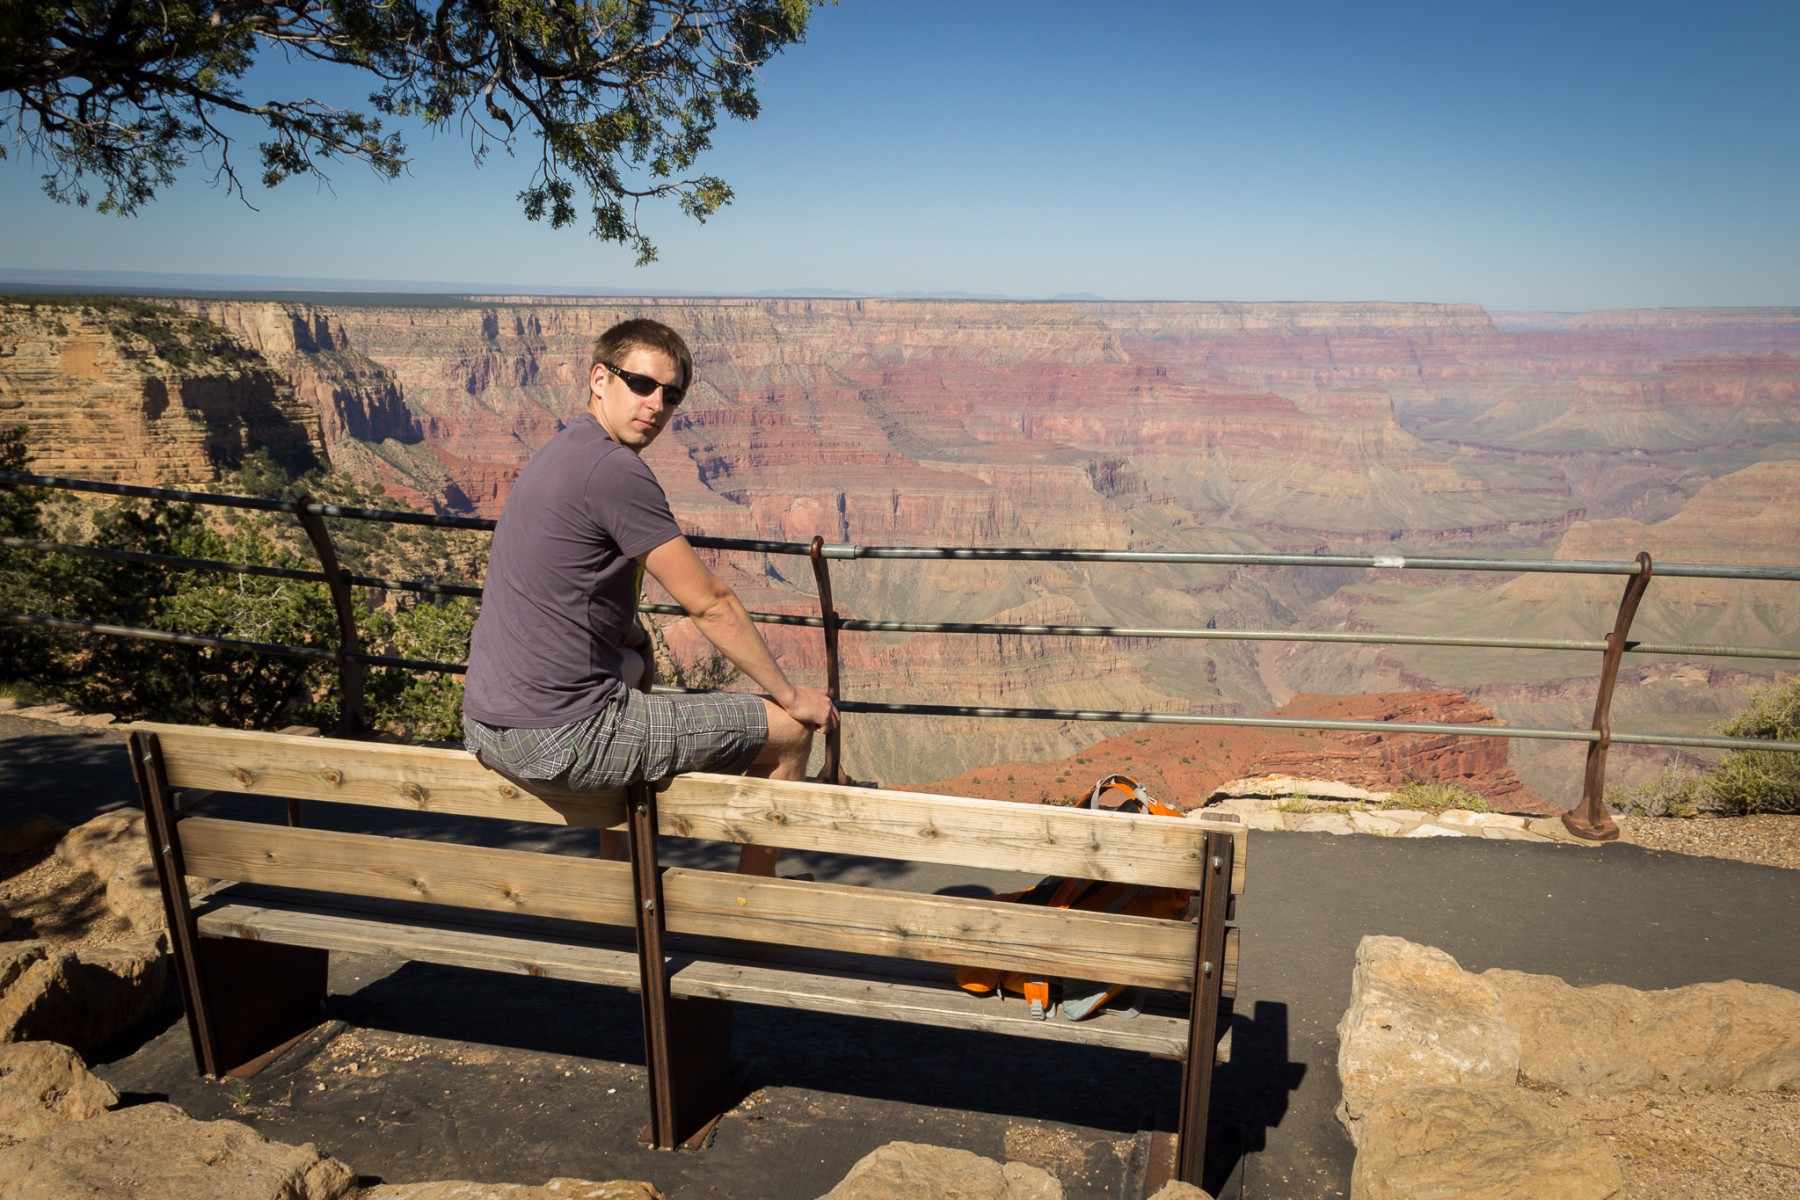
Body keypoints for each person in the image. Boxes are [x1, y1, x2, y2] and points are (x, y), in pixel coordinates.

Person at [462, 318, 837, 874]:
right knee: (789, 731)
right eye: (641, 384)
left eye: (672, 394)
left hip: (486, 723)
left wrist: (633, 640)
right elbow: (710, 603)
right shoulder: (614, 470)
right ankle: (752, 901)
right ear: (599, 379)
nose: (656, 405)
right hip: (562, 738)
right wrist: (791, 696)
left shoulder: (565, 447)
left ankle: (619, 872)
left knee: (635, 658)